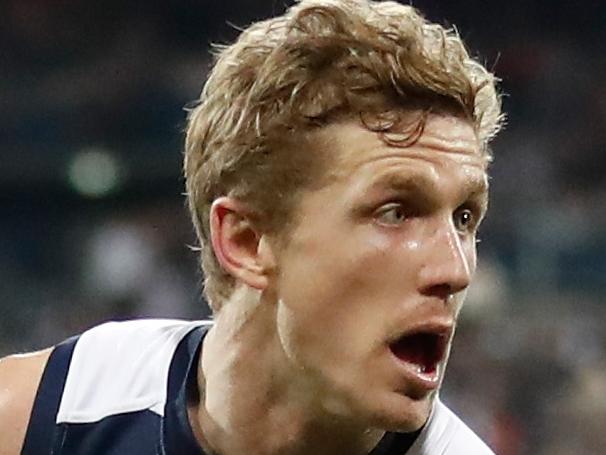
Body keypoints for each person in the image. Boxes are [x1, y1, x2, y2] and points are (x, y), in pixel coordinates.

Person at [0, 0, 504, 453]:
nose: (456, 271)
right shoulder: (42, 421)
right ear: (245, 241)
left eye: (464, 218)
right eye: (395, 212)